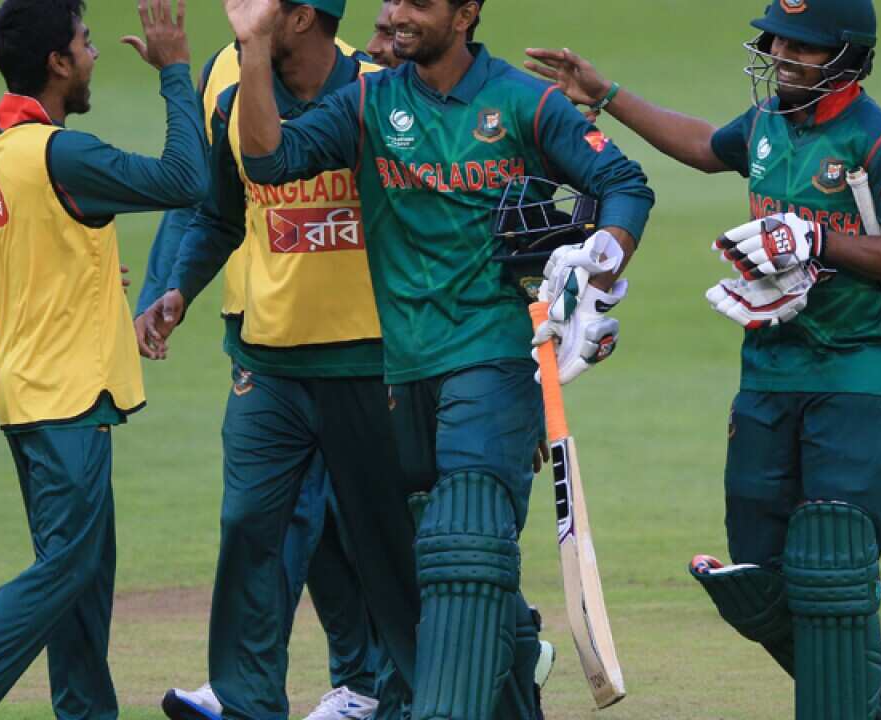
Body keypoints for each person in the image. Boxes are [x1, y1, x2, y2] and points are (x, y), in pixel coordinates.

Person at [222, 0, 654, 718]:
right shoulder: (369, 101)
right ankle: (520, 671)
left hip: (491, 357)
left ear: (466, 13)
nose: (397, 12)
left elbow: (625, 186)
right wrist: (254, 48)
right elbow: (271, 159)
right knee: (451, 559)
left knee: (464, 538)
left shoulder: (524, 101)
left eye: (419, 2)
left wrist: (598, 262)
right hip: (401, 373)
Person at [526, 1, 881, 717]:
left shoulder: (880, 142)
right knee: (754, 575)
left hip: (852, 375)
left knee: (832, 557)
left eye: (796, 44)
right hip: (767, 370)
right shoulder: (769, 123)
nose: (775, 51)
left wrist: (817, 241)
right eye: (775, 38)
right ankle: (871, 666)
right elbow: (708, 146)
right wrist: (608, 97)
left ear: (841, 55)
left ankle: (855, 670)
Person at [0, 1, 207, 719]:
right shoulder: (64, 154)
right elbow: (186, 180)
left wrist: (56, 279)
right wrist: (175, 73)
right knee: (66, 567)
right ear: (58, 63)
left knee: (85, 574)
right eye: (87, 41)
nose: (97, 54)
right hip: (66, 395)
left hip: (29, 391)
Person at [134, 2, 409, 719]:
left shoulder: (383, 92)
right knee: (253, 528)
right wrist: (179, 290)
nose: (238, 12)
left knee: (385, 544)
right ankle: (246, 699)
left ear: (298, 19)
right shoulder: (234, 101)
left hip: (369, 361)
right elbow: (220, 217)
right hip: (270, 363)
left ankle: (409, 690)